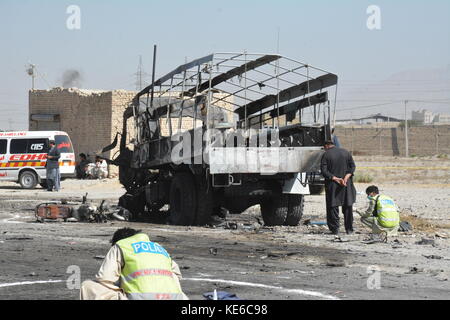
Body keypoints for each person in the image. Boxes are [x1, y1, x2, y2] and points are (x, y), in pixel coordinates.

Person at [80, 228, 188, 300]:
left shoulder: (121, 245)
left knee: (87, 286)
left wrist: (120, 285)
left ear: (116, 241)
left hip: (139, 298)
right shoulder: (159, 248)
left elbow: (104, 278)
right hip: (174, 298)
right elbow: (177, 276)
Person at [320, 140, 356, 235]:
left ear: (326, 146)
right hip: (346, 184)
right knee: (348, 207)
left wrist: (335, 178)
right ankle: (349, 229)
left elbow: (324, 171)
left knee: (333, 207)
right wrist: (346, 178)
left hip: (333, 185)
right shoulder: (346, 152)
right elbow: (352, 167)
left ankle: (335, 230)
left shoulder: (326, 155)